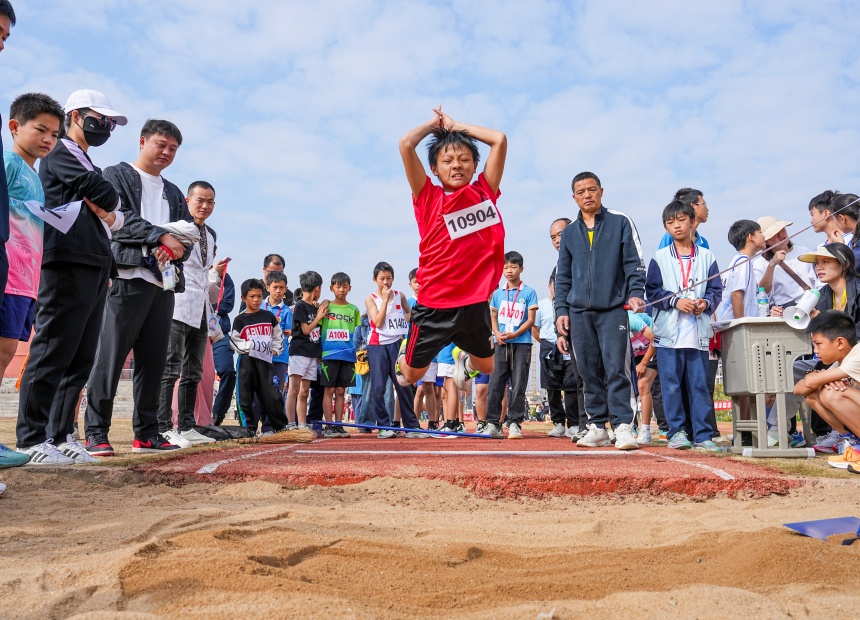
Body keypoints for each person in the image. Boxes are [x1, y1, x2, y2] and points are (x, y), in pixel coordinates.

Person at [16, 89, 126, 464]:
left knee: (79, 357)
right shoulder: (60, 151)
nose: (106, 127)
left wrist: (106, 206)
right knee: (53, 349)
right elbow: (105, 196)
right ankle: (32, 438)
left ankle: (61, 434)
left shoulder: (86, 161)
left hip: (96, 262)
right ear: (76, 115)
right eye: (101, 119)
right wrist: (105, 204)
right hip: (66, 260)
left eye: (111, 123)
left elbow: (111, 205)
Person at [84, 119, 189, 456]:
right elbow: (116, 219)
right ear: (142, 141)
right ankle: (96, 431)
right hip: (126, 279)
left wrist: (173, 246)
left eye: (173, 148)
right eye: (161, 144)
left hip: (164, 284)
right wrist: (159, 236)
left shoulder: (173, 192)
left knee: (153, 362)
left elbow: (185, 235)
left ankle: (146, 433)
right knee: (110, 359)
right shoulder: (116, 175)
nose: (166, 152)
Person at [396, 107, 505, 395]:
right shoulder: (428, 197)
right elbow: (406, 144)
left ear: (473, 165)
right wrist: (435, 126)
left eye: (465, 159)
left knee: (488, 367)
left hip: (474, 303)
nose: (457, 165)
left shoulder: (484, 192)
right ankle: (404, 358)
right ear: (435, 168)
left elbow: (499, 139)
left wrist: (457, 126)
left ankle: (463, 358)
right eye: (448, 160)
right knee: (409, 376)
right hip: (435, 305)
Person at [554, 171, 645, 451]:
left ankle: (623, 426)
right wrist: (561, 310)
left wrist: (636, 293)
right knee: (587, 370)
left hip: (612, 309)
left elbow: (634, 262)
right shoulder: (569, 233)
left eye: (592, 190)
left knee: (616, 367)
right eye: (581, 192)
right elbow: (563, 275)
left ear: (601, 191)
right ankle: (597, 426)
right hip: (579, 312)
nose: (587, 195)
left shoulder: (619, 223)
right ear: (574, 197)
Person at [1, 92, 64, 469]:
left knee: (7, 352)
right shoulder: (7, 162)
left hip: (27, 281)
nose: (48, 140)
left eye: (54, 134)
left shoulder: (35, 177)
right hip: (8, 273)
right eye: (41, 129)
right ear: (14, 127)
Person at [645, 198, 722, 451]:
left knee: (700, 386)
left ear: (692, 222)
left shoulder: (708, 256)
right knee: (671, 386)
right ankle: (676, 432)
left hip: (698, 334)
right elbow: (653, 292)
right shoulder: (659, 257)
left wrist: (706, 304)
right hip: (668, 335)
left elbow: (715, 290)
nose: (676, 226)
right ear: (666, 228)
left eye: (681, 220)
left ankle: (703, 435)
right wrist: (676, 301)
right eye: (670, 222)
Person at [158, 181, 224, 447]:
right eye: (199, 200)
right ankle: (164, 426)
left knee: (193, 370)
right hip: (178, 303)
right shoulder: (175, 228)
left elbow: (204, 271)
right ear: (187, 201)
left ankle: (186, 425)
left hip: (200, 307)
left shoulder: (212, 234)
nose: (204, 206)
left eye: (209, 202)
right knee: (171, 366)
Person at [793, 310, 860, 469]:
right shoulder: (842, 361)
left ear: (840, 343)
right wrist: (819, 377)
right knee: (813, 396)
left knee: (831, 393)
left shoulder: (857, 356)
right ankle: (855, 445)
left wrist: (847, 390)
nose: (815, 350)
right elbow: (799, 389)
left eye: (819, 344)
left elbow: (810, 380)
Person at [365, 261, 423, 438]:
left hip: (397, 344)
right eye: (382, 279)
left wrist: (401, 320)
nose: (386, 282)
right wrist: (384, 300)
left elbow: (409, 313)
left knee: (403, 384)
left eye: (389, 278)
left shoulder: (400, 295)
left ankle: (411, 426)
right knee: (379, 387)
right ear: (375, 279)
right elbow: (378, 321)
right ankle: (383, 426)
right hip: (378, 345)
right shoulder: (371, 299)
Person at [484, 251, 538, 439]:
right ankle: (492, 423)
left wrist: (515, 333)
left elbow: (530, 320)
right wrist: (497, 334)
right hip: (501, 344)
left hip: (521, 343)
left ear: (521, 269)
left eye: (513, 267)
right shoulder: (498, 294)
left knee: (519, 384)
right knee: (496, 383)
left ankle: (514, 422)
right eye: (505, 267)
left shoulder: (529, 292)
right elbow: (493, 317)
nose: (509, 270)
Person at [230, 278, 290, 433]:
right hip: (247, 362)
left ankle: (280, 426)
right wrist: (250, 346)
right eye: (252, 296)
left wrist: (276, 349)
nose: (256, 300)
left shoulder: (268, 316)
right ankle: (248, 428)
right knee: (246, 396)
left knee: (272, 394)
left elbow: (278, 335)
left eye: (259, 296)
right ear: (243, 298)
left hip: (266, 362)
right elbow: (235, 342)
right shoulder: (240, 319)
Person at [546, 217, 587, 440]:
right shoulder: (558, 268)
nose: (557, 240)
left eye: (561, 234)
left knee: (600, 376)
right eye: (553, 237)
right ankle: (584, 425)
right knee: (579, 379)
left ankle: (615, 424)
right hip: (571, 329)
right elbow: (558, 301)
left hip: (593, 324)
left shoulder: (588, 257)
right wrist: (561, 332)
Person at [534, 273, 582, 438]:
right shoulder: (541, 305)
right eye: (555, 286)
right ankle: (558, 422)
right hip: (549, 347)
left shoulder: (570, 305)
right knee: (552, 387)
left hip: (568, 348)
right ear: (550, 286)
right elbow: (535, 329)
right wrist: (547, 345)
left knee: (571, 386)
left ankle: (573, 423)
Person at [249, 270, 292, 433]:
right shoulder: (259, 307)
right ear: (267, 287)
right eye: (275, 287)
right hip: (259, 356)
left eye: (281, 287)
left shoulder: (287, 311)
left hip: (280, 357)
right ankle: (251, 427)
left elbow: (287, 334)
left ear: (286, 289)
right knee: (256, 391)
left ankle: (270, 426)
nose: (278, 291)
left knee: (275, 393)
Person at [319, 272, 362, 438]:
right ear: (331, 288)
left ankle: (338, 425)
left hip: (347, 355)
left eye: (345, 286)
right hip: (329, 355)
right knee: (328, 390)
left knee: (341, 391)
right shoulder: (326, 306)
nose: (341, 290)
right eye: (338, 286)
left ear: (350, 288)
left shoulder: (354, 310)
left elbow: (357, 333)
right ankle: (329, 425)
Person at [286, 271, 327, 429]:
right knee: (294, 389)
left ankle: (302, 424)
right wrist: (319, 316)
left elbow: (327, 303)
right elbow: (305, 330)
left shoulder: (314, 306)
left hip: (312, 353)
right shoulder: (300, 306)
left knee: (304, 392)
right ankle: (291, 423)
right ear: (317, 288)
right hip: (299, 351)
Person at [407, 268, 438, 431]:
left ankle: (432, 423)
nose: (419, 285)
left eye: (422, 281)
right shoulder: (408, 303)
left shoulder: (433, 300)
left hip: (430, 350)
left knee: (428, 387)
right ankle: (413, 423)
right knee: (410, 387)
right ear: (410, 284)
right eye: (415, 282)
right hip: (412, 350)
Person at [211, 272, 236, 425]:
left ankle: (218, 414)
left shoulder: (225, 276)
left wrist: (210, 306)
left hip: (220, 333)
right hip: (195, 329)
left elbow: (227, 304)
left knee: (228, 371)